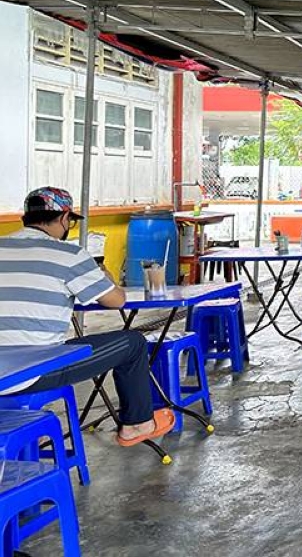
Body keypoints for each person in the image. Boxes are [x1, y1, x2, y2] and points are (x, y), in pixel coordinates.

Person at [0, 187, 174, 447]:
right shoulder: (68, 254)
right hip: (27, 374)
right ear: (64, 218)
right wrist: (106, 278)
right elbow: (116, 300)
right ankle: (137, 425)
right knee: (133, 343)